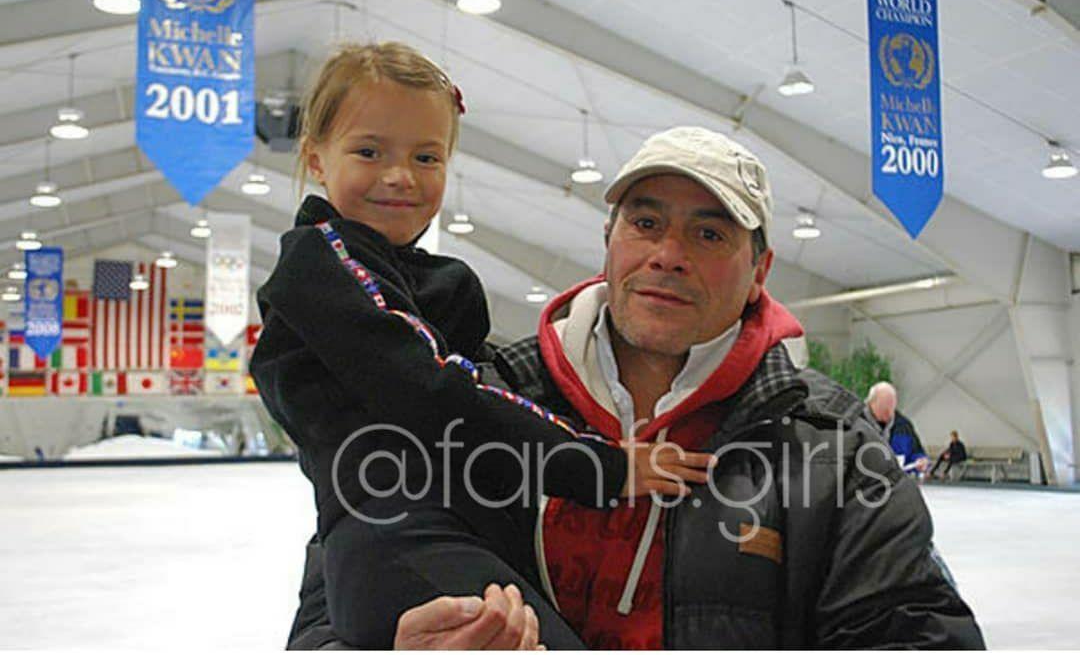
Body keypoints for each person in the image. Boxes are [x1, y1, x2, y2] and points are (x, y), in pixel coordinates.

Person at [293, 126, 985, 648]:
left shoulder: (832, 446)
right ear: (610, 238)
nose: (668, 255)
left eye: (709, 234)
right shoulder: (482, 399)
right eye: (646, 223)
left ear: (760, 270)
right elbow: (330, 605)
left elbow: (917, 632)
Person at [250, 43, 712, 649]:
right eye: (369, 152)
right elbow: (434, 391)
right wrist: (603, 466)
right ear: (316, 158)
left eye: (426, 157)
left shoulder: (432, 284)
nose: (400, 176)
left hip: (455, 538)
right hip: (403, 543)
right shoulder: (322, 262)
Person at [866, 381, 930, 474]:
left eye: (891, 408)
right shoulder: (856, 424)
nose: (889, 413)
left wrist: (921, 461)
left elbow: (916, 451)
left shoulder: (904, 425)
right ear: (871, 403)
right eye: (884, 408)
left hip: (897, 479)